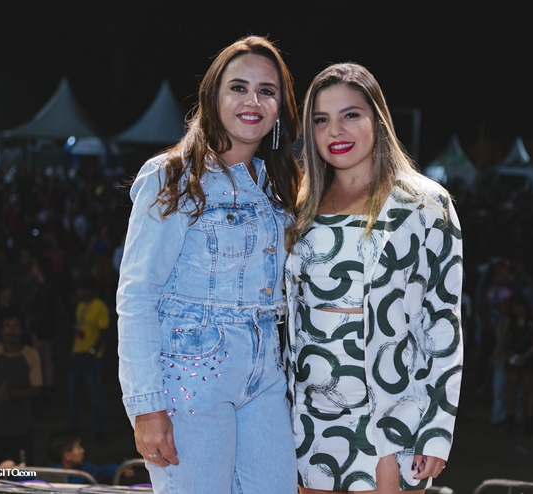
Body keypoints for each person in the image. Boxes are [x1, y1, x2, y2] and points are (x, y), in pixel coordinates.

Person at [116, 36, 302, 494]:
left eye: (267, 91)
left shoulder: (280, 185)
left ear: (281, 107)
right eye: (238, 88)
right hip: (191, 377)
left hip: (265, 375)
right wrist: (147, 406)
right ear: (213, 96)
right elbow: (137, 295)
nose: (253, 101)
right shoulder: (174, 176)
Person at [284, 63, 463, 493]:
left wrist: (437, 428)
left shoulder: (425, 204)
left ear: (377, 119)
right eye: (321, 119)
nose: (335, 130)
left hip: (391, 414)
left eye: (351, 114)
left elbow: (443, 322)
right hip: (308, 417)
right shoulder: (299, 205)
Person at [0, 311, 42, 465]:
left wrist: (12, 393)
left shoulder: (30, 354)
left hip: (21, 426)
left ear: (21, 330)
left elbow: (37, 387)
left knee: (24, 472)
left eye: (15, 326)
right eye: (7, 326)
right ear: (1, 330)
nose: (11, 331)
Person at [498, 294, 533, 435]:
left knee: (529, 389)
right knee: (512, 388)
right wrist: (502, 350)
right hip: (514, 353)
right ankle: (510, 420)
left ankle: (529, 421)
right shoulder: (510, 317)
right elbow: (503, 333)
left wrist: (526, 355)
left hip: (529, 355)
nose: (517, 311)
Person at [68, 278, 109, 437]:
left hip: (92, 356)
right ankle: (72, 426)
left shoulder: (99, 306)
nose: (80, 293)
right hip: (77, 353)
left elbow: (104, 332)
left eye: (83, 289)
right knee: (73, 393)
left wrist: (93, 351)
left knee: (96, 393)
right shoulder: (80, 306)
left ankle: (101, 429)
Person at [47, 431, 134, 484]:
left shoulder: (86, 470)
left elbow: (103, 470)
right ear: (67, 456)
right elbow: (35, 476)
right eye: (78, 448)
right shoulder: (49, 473)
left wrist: (120, 469)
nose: (82, 450)